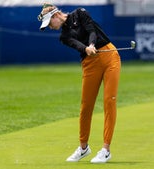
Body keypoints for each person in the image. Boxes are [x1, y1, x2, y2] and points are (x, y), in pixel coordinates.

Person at [38, 3, 121, 163]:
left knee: (109, 101)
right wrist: (86, 49)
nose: (50, 27)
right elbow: (76, 44)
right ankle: (83, 148)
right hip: (90, 64)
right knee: (86, 106)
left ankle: (106, 149)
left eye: (49, 24)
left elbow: (92, 31)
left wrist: (91, 44)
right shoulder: (63, 36)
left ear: (55, 16)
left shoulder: (80, 13)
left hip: (110, 57)